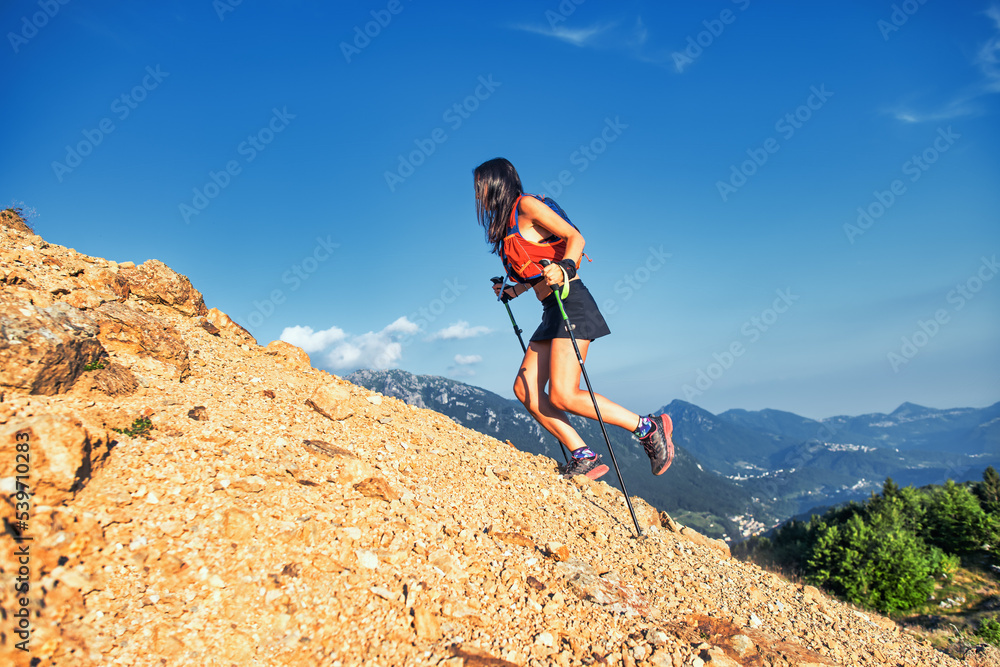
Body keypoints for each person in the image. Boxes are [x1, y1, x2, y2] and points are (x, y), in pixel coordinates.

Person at [473, 157, 674, 480]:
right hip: (551, 310)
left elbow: (575, 238)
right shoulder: (506, 227)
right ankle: (584, 454)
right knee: (525, 391)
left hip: (572, 302)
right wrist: (514, 290)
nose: (478, 193)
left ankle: (648, 428)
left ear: (497, 183)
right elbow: (538, 270)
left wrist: (565, 267)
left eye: (481, 185)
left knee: (563, 394)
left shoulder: (526, 206)